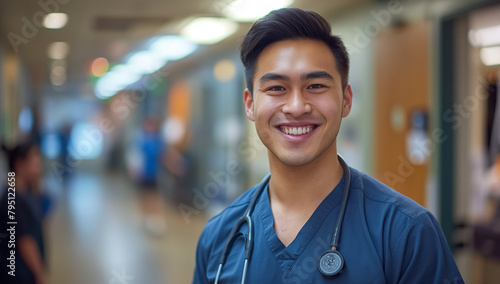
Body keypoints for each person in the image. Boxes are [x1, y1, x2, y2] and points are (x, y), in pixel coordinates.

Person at [193, 8, 463, 284]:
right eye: (276, 88)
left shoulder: (406, 231)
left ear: (346, 100)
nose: (297, 107)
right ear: (250, 104)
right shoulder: (219, 238)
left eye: (316, 86)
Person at [0, 141, 48, 284]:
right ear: (20, 165)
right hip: (18, 275)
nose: (39, 170)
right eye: (35, 165)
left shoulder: (22, 190)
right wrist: (40, 275)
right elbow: (25, 242)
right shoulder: (13, 200)